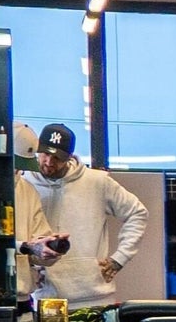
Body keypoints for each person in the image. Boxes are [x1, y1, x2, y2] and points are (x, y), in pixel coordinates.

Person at [16, 123, 152, 303]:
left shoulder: (97, 182)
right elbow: (25, 239)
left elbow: (137, 213)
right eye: (45, 154)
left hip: (95, 295)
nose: (49, 162)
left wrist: (119, 258)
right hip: (46, 296)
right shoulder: (24, 185)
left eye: (57, 158)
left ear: (69, 157)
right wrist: (31, 267)